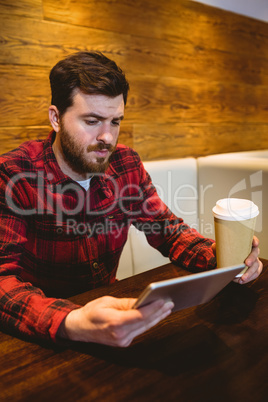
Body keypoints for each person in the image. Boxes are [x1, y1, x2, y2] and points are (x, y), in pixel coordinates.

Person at [0, 52, 262, 348]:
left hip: (113, 317)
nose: (107, 137)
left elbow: (166, 230)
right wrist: (71, 321)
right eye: (92, 120)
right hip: (40, 333)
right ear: (56, 118)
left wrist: (224, 259)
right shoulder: (14, 174)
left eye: (115, 121)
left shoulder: (125, 162)